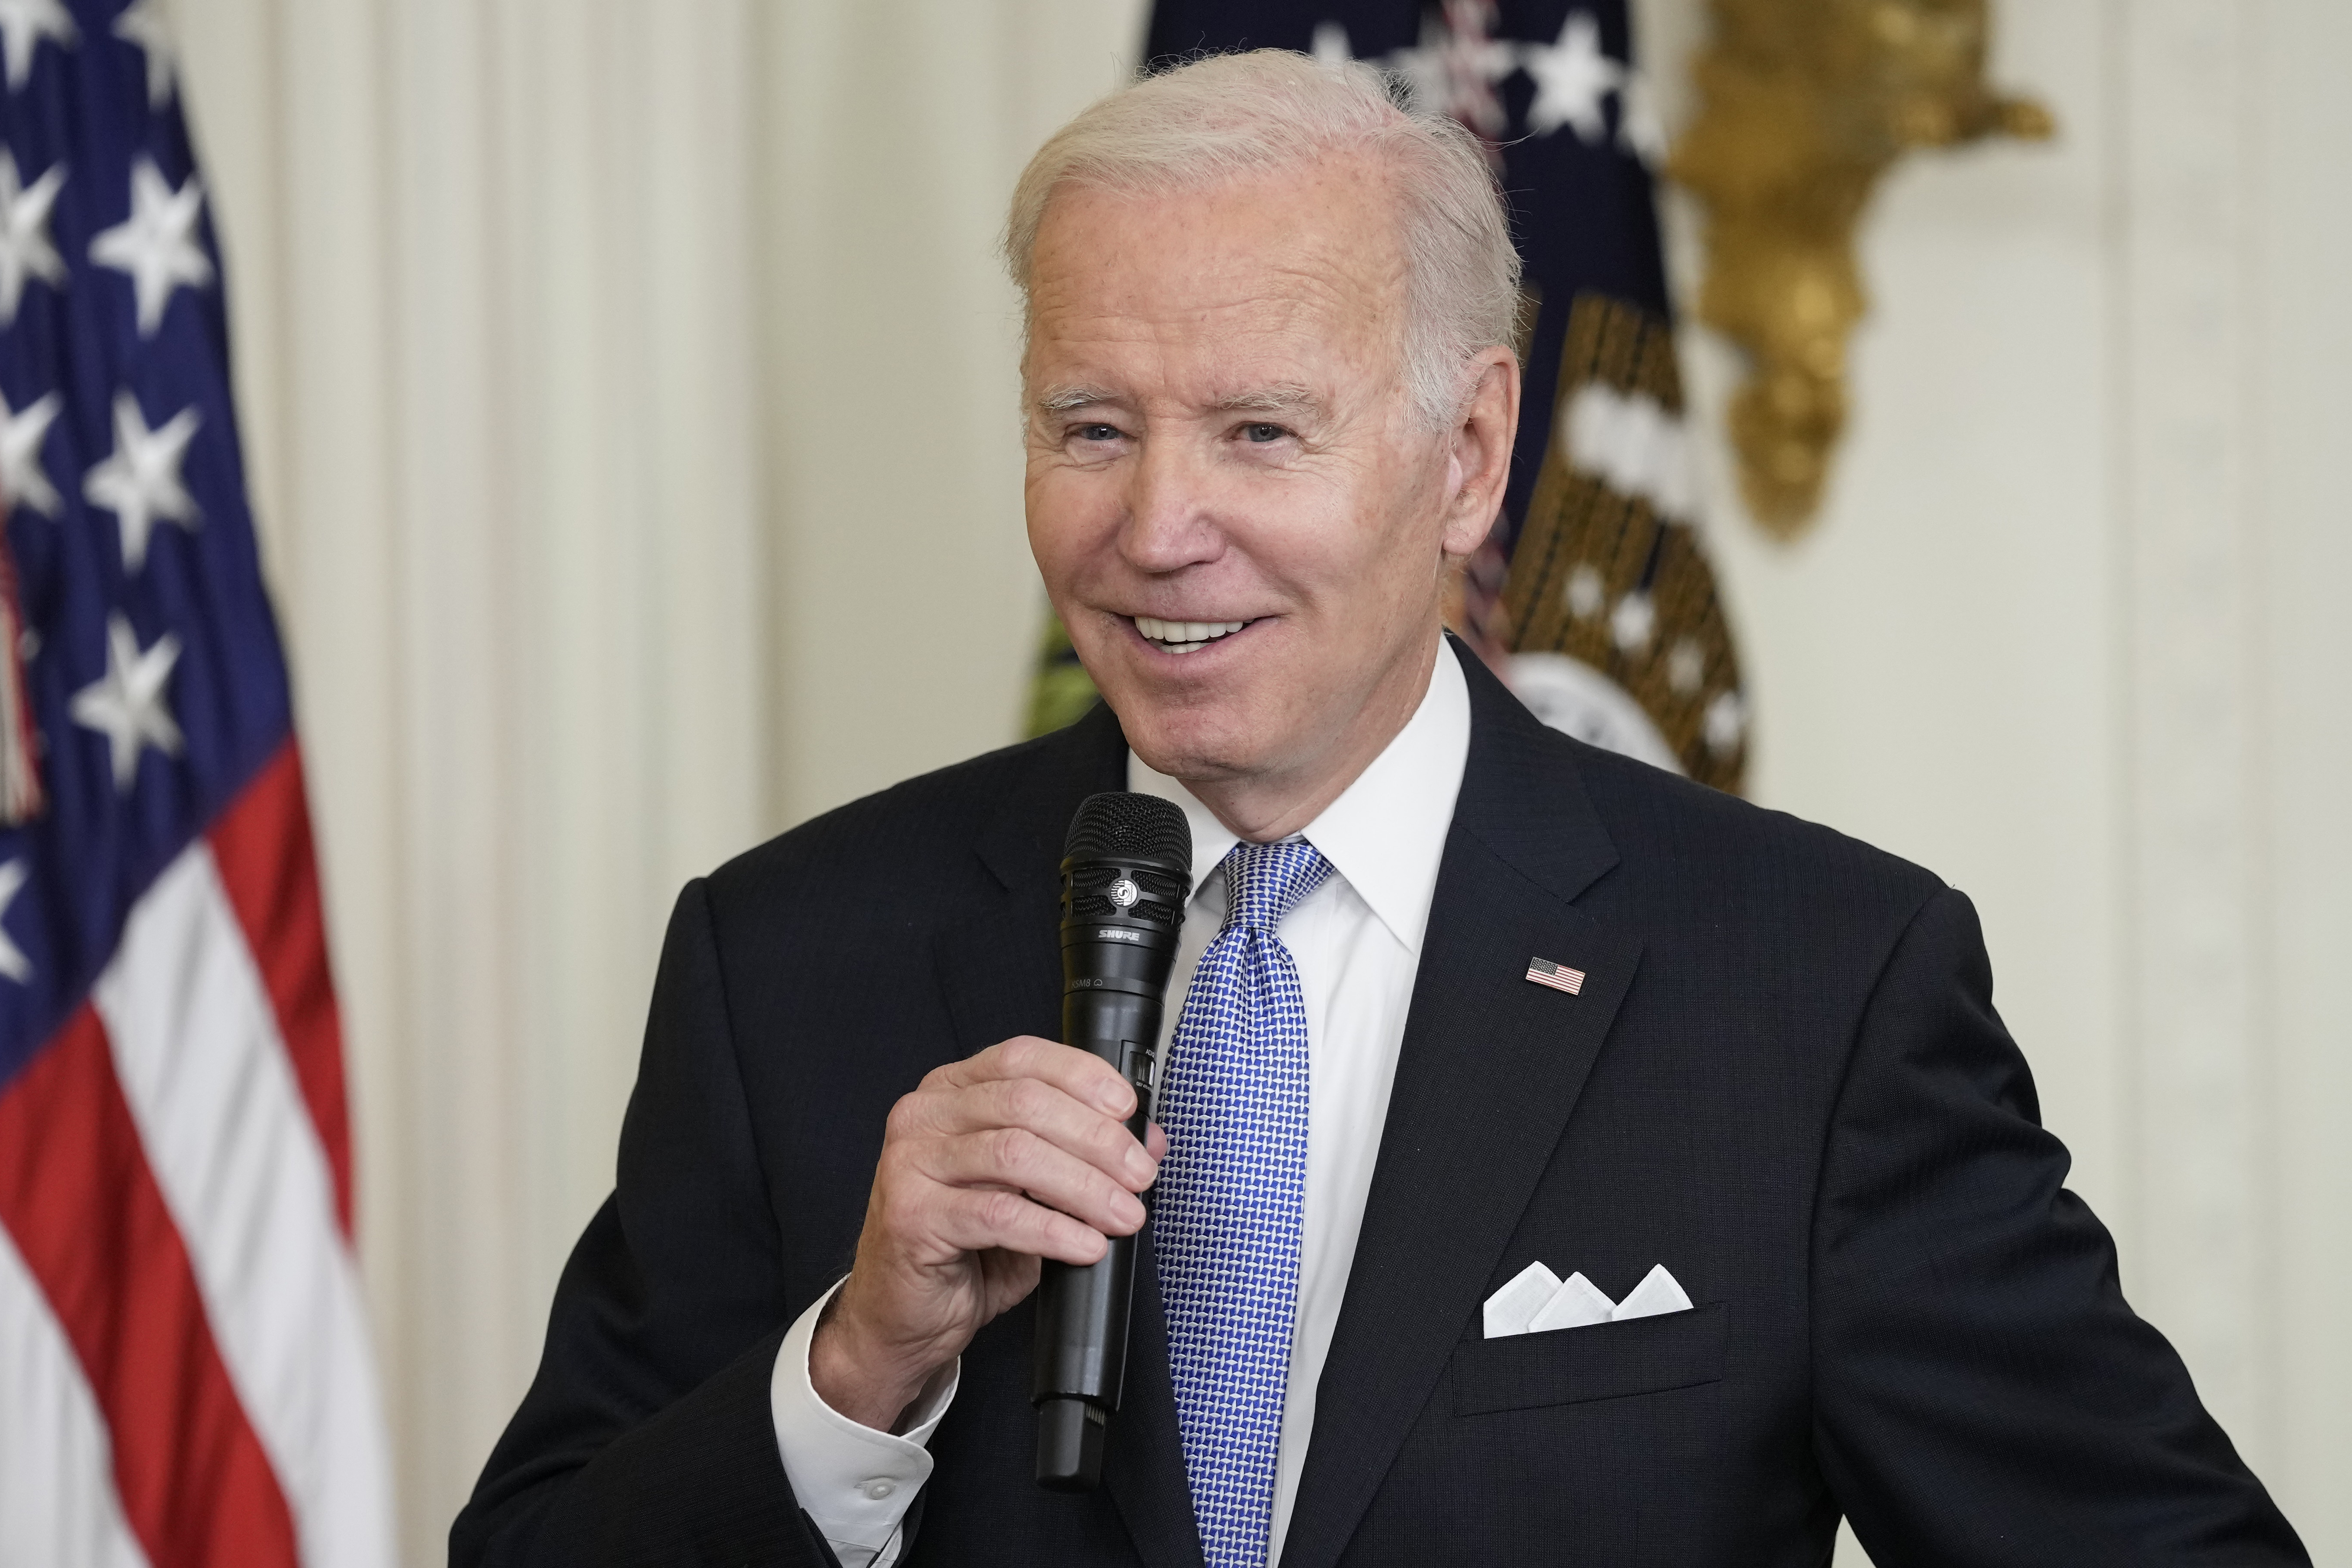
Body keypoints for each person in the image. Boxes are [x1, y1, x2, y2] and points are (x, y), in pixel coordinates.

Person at [452, 50, 2307, 1568]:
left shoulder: (1809, 992)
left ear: (1472, 454)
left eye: (1261, 431)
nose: (1157, 526)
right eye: (1091, 426)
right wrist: (854, 1372)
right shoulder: (790, 958)